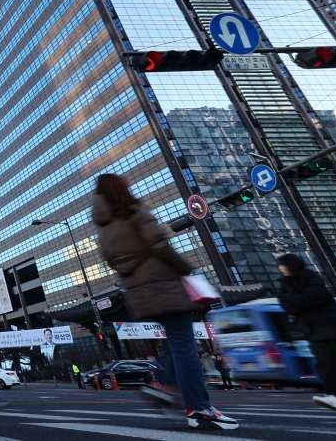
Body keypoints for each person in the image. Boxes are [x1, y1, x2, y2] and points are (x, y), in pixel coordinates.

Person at [92, 173, 238, 431]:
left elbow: (110, 260)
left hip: (138, 291)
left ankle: (160, 384)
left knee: (176, 342)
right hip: (164, 283)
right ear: (121, 189)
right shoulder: (134, 211)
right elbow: (159, 244)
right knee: (184, 345)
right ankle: (199, 406)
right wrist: (185, 268)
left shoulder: (103, 229)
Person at [277, 253, 336, 412]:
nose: (280, 268)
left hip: (334, 328)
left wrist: (297, 302)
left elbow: (315, 297)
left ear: (291, 264)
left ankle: (335, 396)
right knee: (328, 367)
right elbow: (288, 305)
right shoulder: (284, 284)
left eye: (282, 264)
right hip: (313, 332)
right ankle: (335, 397)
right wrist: (299, 302)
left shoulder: (312, 277)